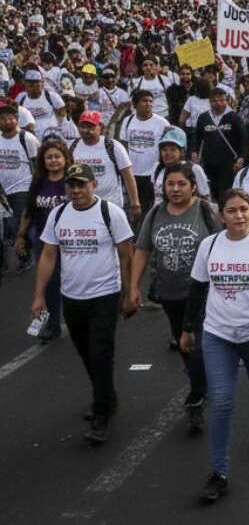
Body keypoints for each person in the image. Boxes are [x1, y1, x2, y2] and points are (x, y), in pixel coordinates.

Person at [182, 188, 249, 502]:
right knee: (222, 401)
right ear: (221, 215)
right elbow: (198, 288)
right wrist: (188, 329)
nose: (239, 216)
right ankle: (219, 472)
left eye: (244, 209)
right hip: (218, 334)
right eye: (232, 210)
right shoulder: (210, 245)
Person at [31, 163, 135, 445]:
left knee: (101, 353)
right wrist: (39, 295)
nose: (76, 190)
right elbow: (49, 254)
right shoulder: (58, 214)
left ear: (93, 185)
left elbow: (126, 255)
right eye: (71, 185)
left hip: (105, 294)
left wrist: (130, 293)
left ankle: (101, 414)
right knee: (87, 353)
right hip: (72, 296)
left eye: (81, 184)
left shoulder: (109, 212)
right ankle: (107, 397)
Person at [130, 163, 220, 435]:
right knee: (184, 342)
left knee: (200, 344)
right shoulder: (156, 213)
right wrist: (133, 287)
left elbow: (223, 244)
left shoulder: (206, 211)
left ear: (193, 186)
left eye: (182, 184)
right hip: (170, 293)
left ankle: (196, 395)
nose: (176, 189)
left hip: (203, 294)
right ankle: (198, 382)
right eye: (171, 184)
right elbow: (143, 249)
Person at [13, 137, 70, 341]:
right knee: (49, 284)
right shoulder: (38, 182)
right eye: (49, 158)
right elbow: (29, 211)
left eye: (57, 156)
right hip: (44, 243)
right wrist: (20, 236)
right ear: (43, 161)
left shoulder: (72, 181)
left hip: (71, 242)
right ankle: (52, 324)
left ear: (65, 158)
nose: (53, 161)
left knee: (74, 283)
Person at [71, 110, 139, 220]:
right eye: (82, 126)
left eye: (91, 127)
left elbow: (128, 176)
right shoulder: (73, 147)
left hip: (111, 206)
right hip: (83, 207)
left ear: (101, 128)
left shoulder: (113, 146)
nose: (86, 130)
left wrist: (135, 203)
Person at [0, 99, 39, 271]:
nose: (7, 121)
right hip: (3, 190)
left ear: (17, 119)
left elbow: (37, 164)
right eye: (2, 118)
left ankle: (26, 255)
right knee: (10, 226)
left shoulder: (26, 138)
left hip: (24, 187)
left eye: (10, 117)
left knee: (18, 224)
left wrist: (37, 187)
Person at [118, 89, 170, 216]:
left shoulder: (162, 123)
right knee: (134, 207)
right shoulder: (128, 120)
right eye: (144, 101)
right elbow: (124, 144)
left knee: (151, 207)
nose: (148, 104)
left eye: (150, 101)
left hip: (152, 173)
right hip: (132, 173)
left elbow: (169, 146)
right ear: (135, 105)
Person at [192, 87, 249, 200]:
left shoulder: (234, 117)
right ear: (210, 101)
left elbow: (243, 139)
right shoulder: (203, 117)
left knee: (225, 191)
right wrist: (195, 152)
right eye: (215, 101)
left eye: (222, 100)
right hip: (209, 161)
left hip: (229, 162)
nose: (218, 103)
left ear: (227, 101)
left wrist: (242, 157)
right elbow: (197, 138)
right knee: (211, 190)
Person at [150, 126, 211, 204]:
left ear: (182, 151)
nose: (168, 153)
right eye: (164, 150)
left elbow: (205, 197)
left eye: (173, 150)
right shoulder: (157, 168)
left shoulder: (194, 169)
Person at [16, 69, 66, 139]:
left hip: (50, 135)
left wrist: (58, 127)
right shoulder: (20, 98)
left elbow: (62, 113)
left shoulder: (52, 96)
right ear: (25, 83)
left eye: (37, 82)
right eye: (31, 83)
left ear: (42, 83)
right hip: (30, 137)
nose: (34, 85)